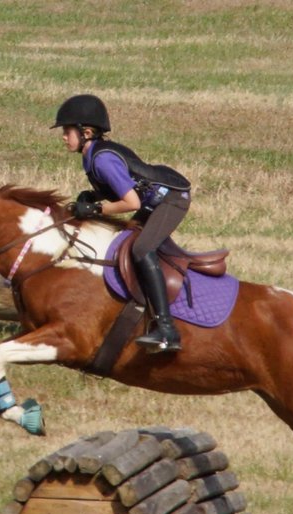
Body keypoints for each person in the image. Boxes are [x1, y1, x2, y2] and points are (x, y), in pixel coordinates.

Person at [52, 94, 191, 353]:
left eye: (66, 130)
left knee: (141, 249)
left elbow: (131, 202)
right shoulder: (90, 154)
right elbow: (123, 188)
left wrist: (94, 207)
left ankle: (167, 329)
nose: (63, 136)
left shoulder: (102, 159)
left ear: (87, 132)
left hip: (171, 200)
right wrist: (94, 197)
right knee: (122, 243)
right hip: (153, 201)